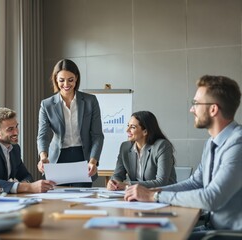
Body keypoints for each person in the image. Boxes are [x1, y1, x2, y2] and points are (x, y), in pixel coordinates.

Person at [124, 75, 242, 239]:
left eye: (195, 104)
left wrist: (154, 197)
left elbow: (211, 198)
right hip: (212, 227)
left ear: (213, 109)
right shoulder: (211, 143)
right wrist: (152, 191)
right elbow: (195, 182)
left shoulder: (238, 145)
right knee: (148, 234)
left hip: (228, 234)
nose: (191, 109)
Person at [36, 59, 104, 187]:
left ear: (76, 78)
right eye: (62, 80)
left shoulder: (90, 101)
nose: (66, 84)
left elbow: (97, 135)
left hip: (82, 156)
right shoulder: (47, 105)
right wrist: (43, 156)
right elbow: (43, 135)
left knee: (83, 201)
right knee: (58, 201)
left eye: (70, 80)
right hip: (59, 157)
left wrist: (93, 161)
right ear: (56, 79)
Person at [0, 107, 55, 193]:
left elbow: (26, 176)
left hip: (3, 199)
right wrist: (28, 187)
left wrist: (25, 185)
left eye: (16, 126)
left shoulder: (15, 148)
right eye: (10, 129)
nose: (16, 132)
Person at [107, 111, 176, 191]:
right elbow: (118, 175)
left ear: (145, 131)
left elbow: (161, 182)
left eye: (133, 127)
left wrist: (128, 185)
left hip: (163, 195)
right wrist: (113, 182)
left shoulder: (161, 146)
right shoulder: (125, 147)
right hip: (138, 196)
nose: (127, 130)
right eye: (128, 126)